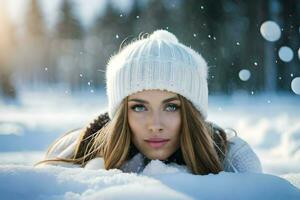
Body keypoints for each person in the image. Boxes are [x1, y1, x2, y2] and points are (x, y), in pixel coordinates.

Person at [36, 30, 262, 175]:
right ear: (121, 113)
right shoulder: (80, 148)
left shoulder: (232, 157)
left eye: (171, 106)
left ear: (192, 113)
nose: (155, 124)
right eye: (139, 107)